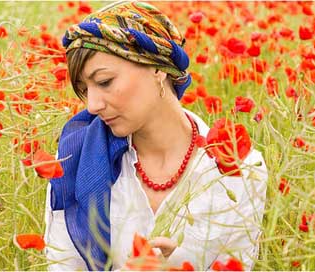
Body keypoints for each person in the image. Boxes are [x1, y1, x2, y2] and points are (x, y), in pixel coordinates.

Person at [44, 1, 268, 271]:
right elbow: (62, 265)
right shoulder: (75, 158)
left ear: (158, 67)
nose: (92, 105)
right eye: (84, 89)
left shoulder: (239, 170)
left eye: (104, 82)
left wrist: (178, 265)